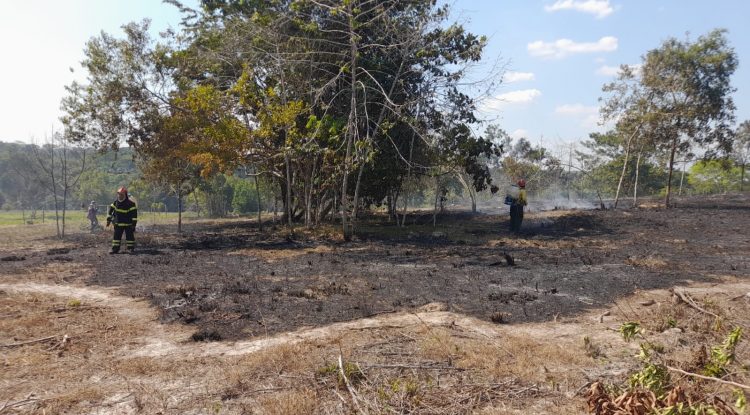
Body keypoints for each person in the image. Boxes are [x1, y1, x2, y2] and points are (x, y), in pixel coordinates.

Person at [107, 187, 138, 254]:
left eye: (121, 194)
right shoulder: (115, 203)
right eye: (119, 194)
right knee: (116, 237)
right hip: (118, 224)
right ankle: (115, 249)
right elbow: (110, 211)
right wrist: (108, 220)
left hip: (128, 224)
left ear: (125, 195)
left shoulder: (131, 204)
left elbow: (134, 215)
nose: (120, 196)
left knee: (130, 237)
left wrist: (134, 224)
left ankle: (130, 249)